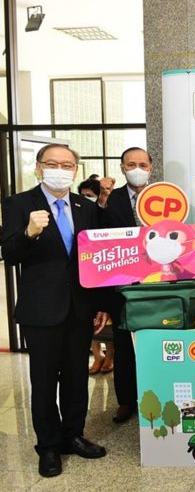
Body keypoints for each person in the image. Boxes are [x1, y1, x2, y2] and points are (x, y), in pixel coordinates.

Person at [1, 144, 110, 477]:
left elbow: (97, 259)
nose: (60, 170)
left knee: (77, 377)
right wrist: (29, 233)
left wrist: (101, 304)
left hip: (80, 307)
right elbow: (9, 254)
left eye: (67, 165)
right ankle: (48, 446)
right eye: (52, 164)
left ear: (75, 170)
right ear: (39, 168)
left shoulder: (85, 206)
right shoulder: (19, 203)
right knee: (45, 380)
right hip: (41, 309)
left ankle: (73, 435)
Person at [96, 147, 153, 423]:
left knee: (154, 342)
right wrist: (102, 201)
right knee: (124, 343)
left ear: (151, 168)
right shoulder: (111, 199)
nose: (137, 169)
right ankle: (126, 401)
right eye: (131, 164)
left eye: (142, 164)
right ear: (122, 168)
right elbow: (96, 234)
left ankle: (155, 393)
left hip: (156, 285)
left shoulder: (163, 196)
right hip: (121, 285)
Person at [77, 177, 115, 375]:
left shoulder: (105, 210)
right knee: (89, 320)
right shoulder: (77, 212)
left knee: (106, 320)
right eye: (82, 195)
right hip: (84, 274)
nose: (86, 199)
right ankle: (97, 356)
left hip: (105, 271)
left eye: (90, 195)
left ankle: (109, 355)